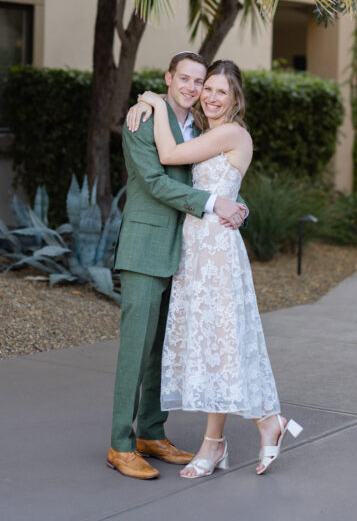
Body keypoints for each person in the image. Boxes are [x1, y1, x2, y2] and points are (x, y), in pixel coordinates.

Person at [133, 60, 302, 477]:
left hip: (214, 253)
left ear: (235, 99)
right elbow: (214, 189)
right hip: (198, 249)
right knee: (212, 346)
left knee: (222, 344)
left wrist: (153, 100)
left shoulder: (230, 132)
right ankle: (233, 436)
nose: (209, 96)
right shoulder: (212, 133)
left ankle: (252, 429)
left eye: (220, 91)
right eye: (206, 88)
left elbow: (169, 155)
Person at [107, 52, 247, 480]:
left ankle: (151, 431)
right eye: (184, 79)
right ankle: (120, 444)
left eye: (199, 82)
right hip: (146, 248)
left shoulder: (199, 127)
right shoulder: (143, 119)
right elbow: (152, 182)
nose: (192, 88)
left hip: (186, 255)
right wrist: (212, 204)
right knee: (135, 348)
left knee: (159, 353)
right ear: (169, 79)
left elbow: (215, 175)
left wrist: (233, 206)